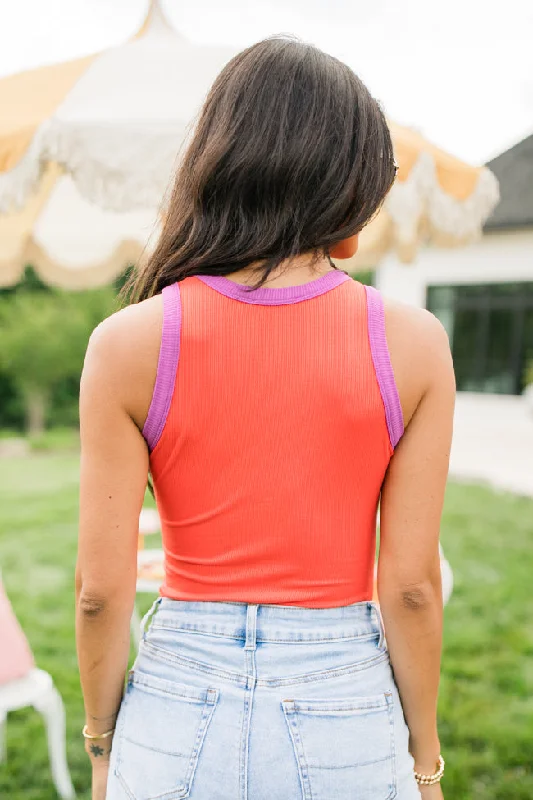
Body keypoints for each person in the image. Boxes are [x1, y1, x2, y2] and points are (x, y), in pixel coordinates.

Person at [76, 36, 454, 800]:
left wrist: (101, 741)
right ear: (345, 183)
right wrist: (424, 758)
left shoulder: (128, 342)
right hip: (342, 691)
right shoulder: (412, 343)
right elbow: (410, 585)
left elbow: (99, 591)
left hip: (178, 692)